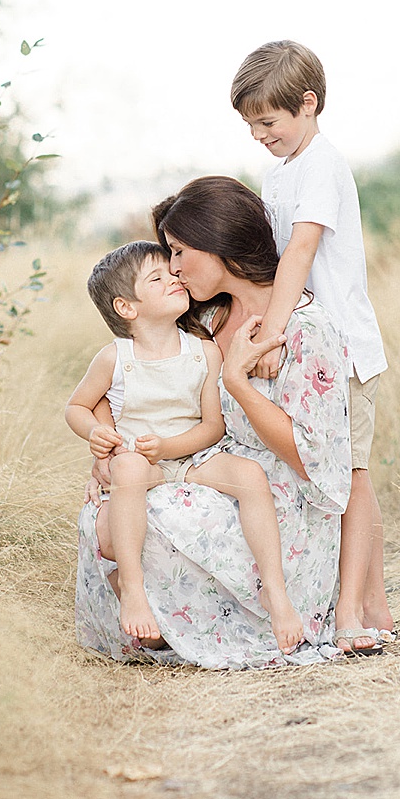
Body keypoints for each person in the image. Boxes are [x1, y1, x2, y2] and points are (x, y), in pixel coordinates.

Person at [75, 177, 352, 669]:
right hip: (204, 463)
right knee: (111, 513)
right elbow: (120, 383)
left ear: (217, 242)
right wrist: (109, 446)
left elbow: (312, 461)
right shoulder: (205, 316)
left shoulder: (306, 329)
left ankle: (231, 612)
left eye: (179, 252)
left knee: (144, 521)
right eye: (166, 258)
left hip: (279, 494)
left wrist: (238, 381)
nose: (174, 270)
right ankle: (152, 615)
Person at [230, 39, 395, 655]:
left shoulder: (323, 163)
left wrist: (270, 334)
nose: (260, 135)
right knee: (339, 477)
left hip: (343, 349)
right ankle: (370, 602)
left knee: (349, 476)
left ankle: (351, 612)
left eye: (268, 122)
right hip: (309, 351)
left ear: (308, 104)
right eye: (250, 126)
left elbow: (299, 251)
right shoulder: (279, 172)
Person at [65, 240, 304, 654]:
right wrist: (93, 432)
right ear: (127, 308)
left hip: (192, 456)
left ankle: (275, 591)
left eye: (172, 272)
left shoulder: (204, 351)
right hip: (142, 460)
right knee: (128, 470)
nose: (174, 278)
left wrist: (171, 445)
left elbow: (212, 427)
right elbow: (77, 406)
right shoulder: (114, 358)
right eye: (156, 279)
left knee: (250, 475)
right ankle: (134, 587)